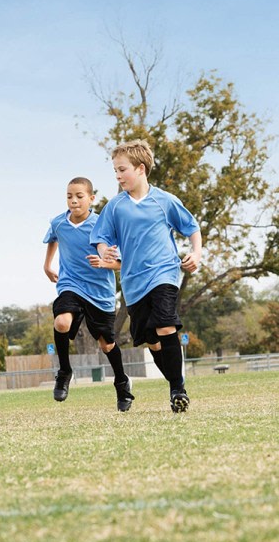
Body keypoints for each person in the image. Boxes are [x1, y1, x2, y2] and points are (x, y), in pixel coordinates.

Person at [90, 139, 202, 413]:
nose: (117, 176)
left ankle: (177, 390)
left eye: (122, 169)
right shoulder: (116, 207)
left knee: (166, 326)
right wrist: (106, 252)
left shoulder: (165, 201)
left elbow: (192, 227)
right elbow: (101, 238)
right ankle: (176, 383)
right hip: (133, 283)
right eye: (115, 171)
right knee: (151, 339)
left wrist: (196, 253)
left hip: (164, 274)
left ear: (140, 169)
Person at [43, 177, 134, 411]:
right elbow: (53, 239)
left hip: (99, 292)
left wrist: (104, 264)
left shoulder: (101, 226)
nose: (73, 201)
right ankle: (64, 371)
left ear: (91, 198)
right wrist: (47, 265)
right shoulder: (58, 223)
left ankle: (122, 383)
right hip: (70, 284)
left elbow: (122, 263)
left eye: (79, 196)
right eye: (69, 196)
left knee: (106, 344)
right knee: (62, 322)